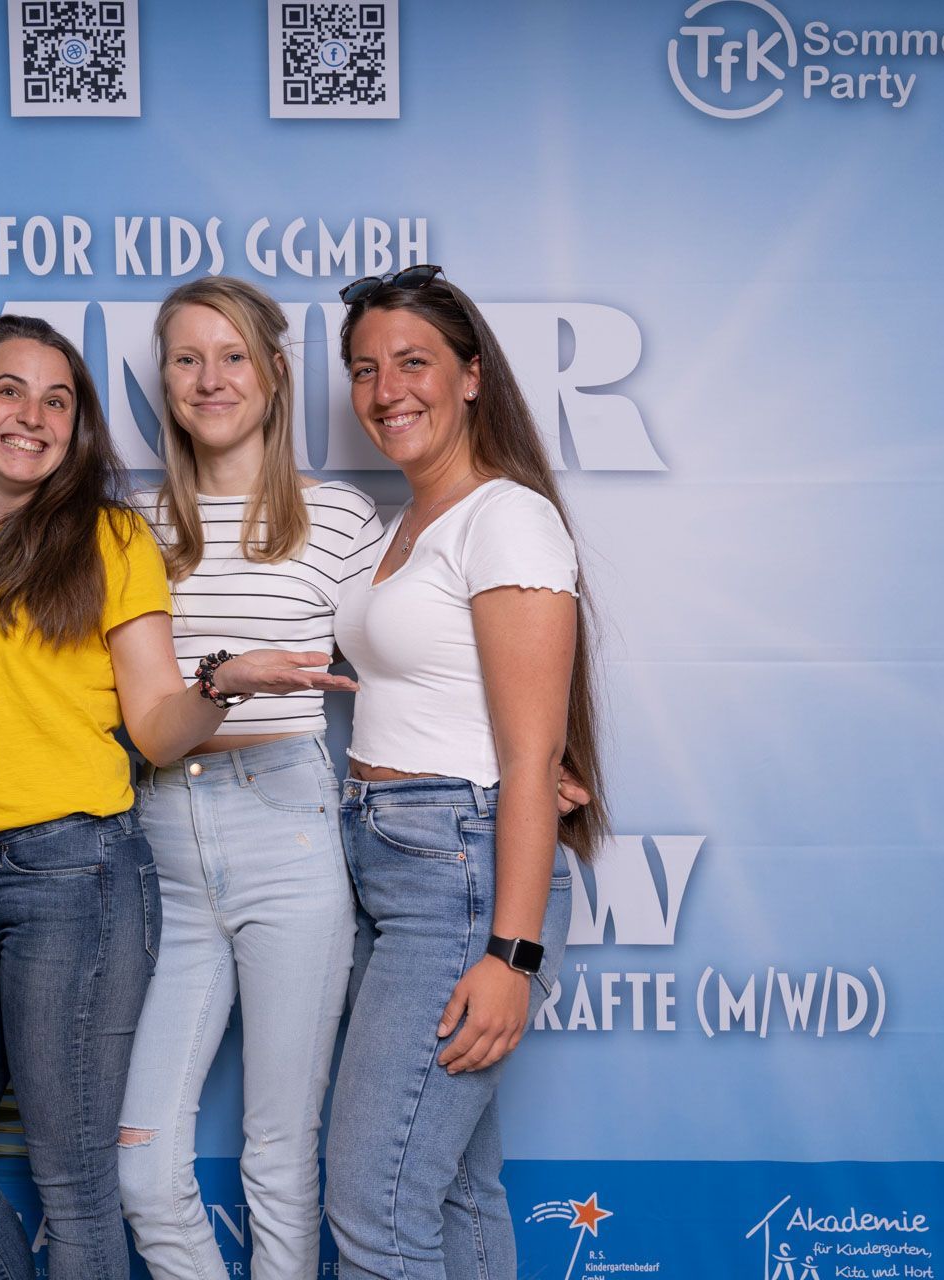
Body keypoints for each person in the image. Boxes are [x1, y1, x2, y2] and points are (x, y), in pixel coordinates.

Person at [0, 314, 351, 1280]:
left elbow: (155, 727)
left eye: (57, 400)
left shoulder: (110, 536)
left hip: (75, 874)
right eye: (10, 390)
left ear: (76, 427)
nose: (33, 415)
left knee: (73, 1182)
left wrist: (220, 682)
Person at [323, 265, 609, 1279]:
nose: (387, 389)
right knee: (449, 1191)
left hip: (458, 878)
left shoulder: (505, 518)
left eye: (413, 362)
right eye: (365, 369)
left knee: (374, 1205)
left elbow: (531, 758)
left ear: (472, 374)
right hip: (389, 863)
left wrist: (512, 956)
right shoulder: (405, 525)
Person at [113, 276, 380, 1280]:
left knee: (278, 1156)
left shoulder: (339, 517)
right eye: (187, 359)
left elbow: (412, 659)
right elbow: (69, 678)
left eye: (232, 357)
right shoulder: (131, 524)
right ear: (165, 381)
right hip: (163, 841)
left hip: (289, 826)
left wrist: (537, 759)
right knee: (144, 1170)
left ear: (274, 372)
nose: (209, 378)